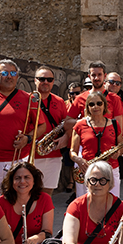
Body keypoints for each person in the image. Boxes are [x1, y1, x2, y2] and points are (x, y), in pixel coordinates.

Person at [0, 59, 44, 201]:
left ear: (17, 76)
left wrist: (27, 138)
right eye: (4, 73)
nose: (9, 76)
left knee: (17, 202)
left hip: (17, 160)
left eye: (13, 73)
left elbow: (41, 126)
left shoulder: (28, 99)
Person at [71, 91, 123, 199]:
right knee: (86, 203)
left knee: (112, 203)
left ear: (104, 105)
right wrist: (79, 160)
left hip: (111, 168)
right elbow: (72, 151)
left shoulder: (114, 124)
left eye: (99, 103)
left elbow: (122, 147)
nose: (95, 107)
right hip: (87, 169)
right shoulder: (80, 125)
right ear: (87, 107)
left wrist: (118, 153)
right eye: (91, 104)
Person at [31, 66, 70, 195]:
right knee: (29, 193)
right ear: (35, 80)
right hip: (30, 155)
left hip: (53, 154)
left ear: (53, 82)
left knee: (47, 194)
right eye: (41, 79)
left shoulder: (59, 102)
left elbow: (66, 125)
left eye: (49, 79)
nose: (45, 82)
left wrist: (66, 138)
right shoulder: (27, 99)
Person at [68, 61, 123, 125]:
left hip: (108, 134)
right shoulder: (80, 98)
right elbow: (67, 122)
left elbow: (119, 127)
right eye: (93, 75)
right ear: (89, 77)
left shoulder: (115, 98)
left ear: (104, 76)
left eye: (99, 74)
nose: (96, 78)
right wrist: (84, 121)